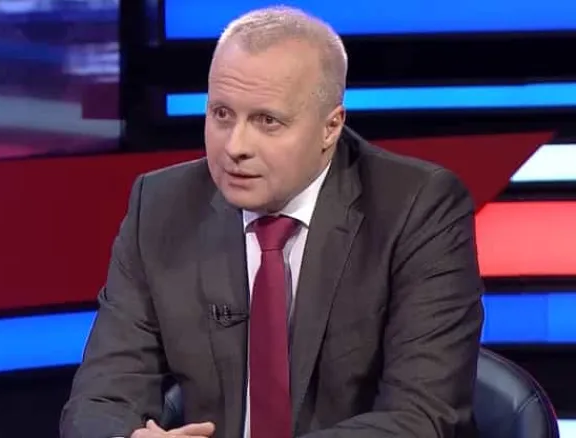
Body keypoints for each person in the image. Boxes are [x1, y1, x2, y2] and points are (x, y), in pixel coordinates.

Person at [60, 6, 484, 438]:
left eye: (267, 121)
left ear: (330, 127)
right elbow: (99, 400)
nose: (235, 146)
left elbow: (421, 416)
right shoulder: (162, 206)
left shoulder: (416, 208)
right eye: (222, 114)